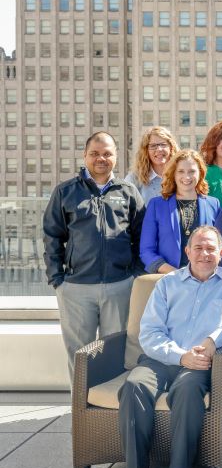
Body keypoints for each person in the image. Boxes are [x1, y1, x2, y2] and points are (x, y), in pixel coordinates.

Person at [114, 226, 222, 468]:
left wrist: (213, 341)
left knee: (188, 391)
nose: (204, 253)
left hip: (202, 362)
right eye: (198, 248)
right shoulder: (166, 284)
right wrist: (179, 356)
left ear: (221, 253)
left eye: (211, 248)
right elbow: (150, 332)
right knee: (133, 386)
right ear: (187, 251)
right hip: (161, 359)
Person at [43, 131, 146, 376]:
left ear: (116, 157)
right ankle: (80, 410)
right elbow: (52, 237)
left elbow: (141, 238)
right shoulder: (65, 191)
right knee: (79, 354)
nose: (101, 158)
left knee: (116, 352)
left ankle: (109, 410)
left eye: (107, 153)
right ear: (85, 156)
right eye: (95, 154)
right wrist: (57, 280)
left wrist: (134, 276)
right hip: (76, 288)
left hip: (119, 286)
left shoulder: (128, 192)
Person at [140, 149, 221, 273]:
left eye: (192, 171)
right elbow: (146, 251)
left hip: (206, 279)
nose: (186, 177)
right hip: (169, 278)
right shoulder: (157, 205)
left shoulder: (213, 204)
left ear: (200, 173)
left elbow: (219, 246)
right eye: (181, 171)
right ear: (174, 174)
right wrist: (175, 274)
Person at [125, 127, 180, 204]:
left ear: (171, 147)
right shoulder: (134, 179)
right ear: (146, 150)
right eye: (153, 146)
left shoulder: (181, 175)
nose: (159, 149)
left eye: (163, 144)